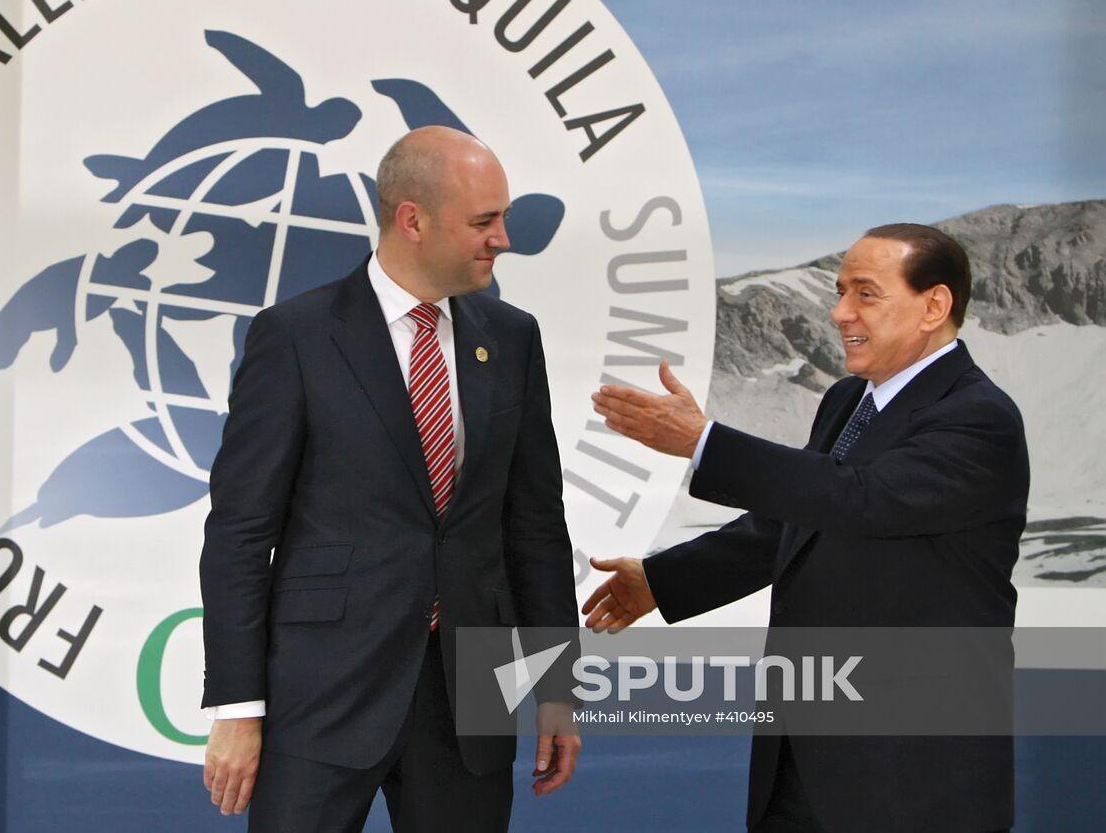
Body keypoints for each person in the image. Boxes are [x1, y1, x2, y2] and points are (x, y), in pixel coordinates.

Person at [584, 223, 1029, 833]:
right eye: (840, 290)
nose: (839, 311)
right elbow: (794, 523)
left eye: (865, 294)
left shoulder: (978, 418)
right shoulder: (849, 400)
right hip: (805, 753)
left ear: (935, 305)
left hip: (915, 771)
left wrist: (703, 442)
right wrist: (663, 581)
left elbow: (860, 500)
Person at [199, 126, 581, 831]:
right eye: (482, 221)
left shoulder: (513, 336)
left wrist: (556, 688)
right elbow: (240, 534)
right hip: (320, 698)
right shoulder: (296, 335)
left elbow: (534, 526)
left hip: (471, 698)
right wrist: (237, 708)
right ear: (411, 219)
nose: (502, 238)